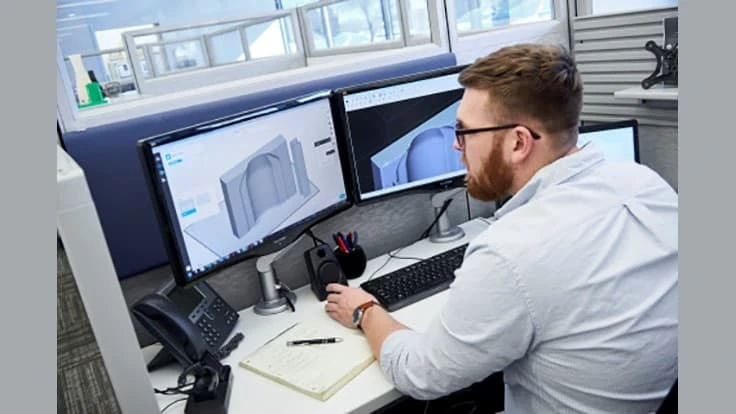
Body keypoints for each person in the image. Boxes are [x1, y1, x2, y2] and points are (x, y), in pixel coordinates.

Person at [324, 43, 678, 413]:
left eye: (464, 131)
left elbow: (421, 374)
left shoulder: (510, 252)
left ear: (518, 142)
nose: (456, 147)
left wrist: (365, 310)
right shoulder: (646, 184)